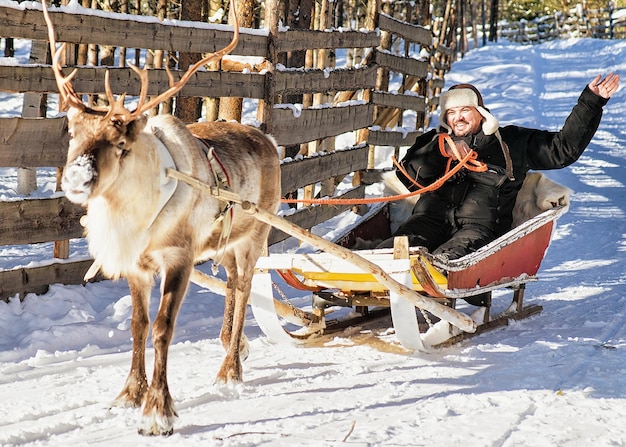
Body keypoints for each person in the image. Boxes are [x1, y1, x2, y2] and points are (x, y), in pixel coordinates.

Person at [378, 74, 620, 307]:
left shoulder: (511, 142)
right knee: (389, 253)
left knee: (447, 261)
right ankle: (376, 282)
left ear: (480, 112)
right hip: (428, 220)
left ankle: (438, 284)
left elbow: (561, 149)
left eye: (464, 110)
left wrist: (591, 102)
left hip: (480, 228)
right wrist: (441, 152)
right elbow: (408, 177)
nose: (458, 118)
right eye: (451, 112)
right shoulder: (434, 142)